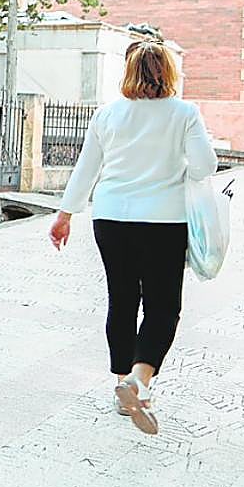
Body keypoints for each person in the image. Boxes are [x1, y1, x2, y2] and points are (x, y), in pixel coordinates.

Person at [50, 40, 218, 435]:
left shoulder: (108, 114)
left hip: (111, 219)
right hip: (163, 222)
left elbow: (86, 168)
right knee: (162, 307)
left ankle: (121, 383)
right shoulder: (184, 113)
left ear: (128, 71)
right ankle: (140, 380)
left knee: (122, 300)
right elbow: (206, 165)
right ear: (169, 72)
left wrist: (64, 216)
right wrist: (176, 169)